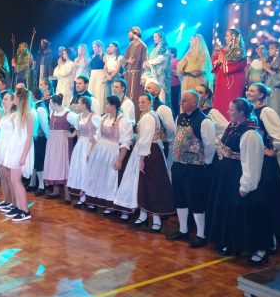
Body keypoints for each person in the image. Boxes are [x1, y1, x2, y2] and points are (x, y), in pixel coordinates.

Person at [206, 98, 270, 266]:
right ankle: (233, 243)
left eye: (232, 110)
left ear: (241, 112)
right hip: (228, 175)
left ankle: (260, 249)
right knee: (231, 212)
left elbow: (252, 161)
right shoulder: (233, 126)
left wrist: (246, 185)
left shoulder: (250, 133)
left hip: (240, 175)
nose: (229, 112)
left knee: (248, 214)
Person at [114, 93, 175, 232]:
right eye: (139, 102)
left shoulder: (148, 117)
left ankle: (155, 219)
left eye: (143, 102)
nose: (140, 104)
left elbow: (146, 139)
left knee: (151, 185)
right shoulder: (148, 115)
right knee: (142, 185)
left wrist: (141, 159)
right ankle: (143, 215)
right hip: (147, 151)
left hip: (149, 153)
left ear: (150, 103)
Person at [167, 91, 216, 248]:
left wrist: (205, 162)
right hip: (179, 164)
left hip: (195, 167)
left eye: (185, 101)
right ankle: (183, 230)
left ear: (195, 102)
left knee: (196, 200)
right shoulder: (180, 117)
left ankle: (201, 234)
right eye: (181, 100)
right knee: (180, 197)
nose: (181, 103)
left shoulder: (204, 121)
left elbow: (210, 145)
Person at [246, 83, 280, 245]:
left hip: (264, 163)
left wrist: (272, 150)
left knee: (265, 200)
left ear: (261, 95)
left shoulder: (266, 112)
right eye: (248, 89)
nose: (248, 92)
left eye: (252, 90)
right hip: (252, 159)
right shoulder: (250, 111)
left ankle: (269, 242)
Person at [79, 96, 133, 214]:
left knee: (109, 178)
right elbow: (97, 137)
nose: (105, 106)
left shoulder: (123, 121)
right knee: (96, 176)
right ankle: (94, 201)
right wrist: (90, 153)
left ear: (113, 106)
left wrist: (119, 160)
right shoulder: (104, 118)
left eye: (107, 104)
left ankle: (110, 206)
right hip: (100, 151)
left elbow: (125, 143)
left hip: (112, 151)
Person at [1, 88, 35, 222]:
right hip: (15, 148)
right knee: (13, 180)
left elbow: (29, 137)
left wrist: (23, 155)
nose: (13, 99)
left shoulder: (28, 115)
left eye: (15, 97)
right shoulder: (18, 114)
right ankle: (19, 207)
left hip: (21, 150)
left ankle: (25, 211)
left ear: (20, 99)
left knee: (16, 181)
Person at [67, 96, 101, 201]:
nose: (76, 105)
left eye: (79, 103)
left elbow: (99, 132)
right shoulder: (78, 117)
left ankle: (89, 197)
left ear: (85, 105)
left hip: (90, 145)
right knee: (80, 169)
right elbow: (78, 132)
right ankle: (82, 197)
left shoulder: (95, 117)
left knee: (87, 169)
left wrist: (94, 145)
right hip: (81, 144)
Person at [43, 94, 74, 199]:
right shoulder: (53, 112)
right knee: (54, 165)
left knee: (64, 166)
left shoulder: (68, 114)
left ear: (55, 104)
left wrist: (72, 134)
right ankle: (55, 191)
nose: (50, 105)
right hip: (52, 142)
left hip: (62, 142)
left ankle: (67, 195)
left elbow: (79, 125)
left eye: (51, 103)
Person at [211, 29, 247, 118]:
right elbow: (215, 61)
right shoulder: (223, 51)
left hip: (233, 81)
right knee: (220, 102)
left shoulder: (239, 52)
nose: (225, 38)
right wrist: (219, 61)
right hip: (222, 80)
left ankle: (232, 120)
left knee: (231, 101)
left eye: (227, 36)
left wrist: (222, 61)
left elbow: (237, 65)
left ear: (233, 37)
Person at [0, 91, 16, 212]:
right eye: (3, 99)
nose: (3, 101)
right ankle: (6, 200)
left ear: (12, 101)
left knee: (10, 177)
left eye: (6, 99)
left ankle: (14, 203)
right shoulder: (5, 115)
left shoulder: (15, 115)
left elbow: (16, 134)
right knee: (2, 175)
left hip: (9, 146)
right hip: (2, 144)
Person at [261, 42, 280, 126]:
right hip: (269, 92)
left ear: (278, 50)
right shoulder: (270, 62)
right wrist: (265, 69)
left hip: (278, 93)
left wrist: (267, 69)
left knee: (277, 113)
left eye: (272, 48)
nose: (269, 50)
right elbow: (264, 78)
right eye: (269, 48)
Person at [29, 85, 50, 196]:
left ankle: (41, 186)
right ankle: (32, 183)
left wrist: (47, 137)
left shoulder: (40, 108)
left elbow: (45, 125)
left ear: (33, 96)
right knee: (34, 160)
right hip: (35, 138)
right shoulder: (35, 106)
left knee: (39, 161)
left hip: (40, 139)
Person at [123, 27, 148, 111]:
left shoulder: (143, 46)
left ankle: (137, 116)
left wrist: (143, 77)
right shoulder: (130, 46)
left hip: (137, 76)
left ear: (135, 33)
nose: (128, 34)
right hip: (128, 76)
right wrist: (128, 61)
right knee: (127, 96)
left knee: (136, 96)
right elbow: (123, 60)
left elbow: (145, 63)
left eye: (129, 32)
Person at [142, 30, 171, 102]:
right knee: (148, 96)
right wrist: (145, 66)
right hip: (150, 75)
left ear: (161, 37)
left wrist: (148, 63)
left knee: (160, 97)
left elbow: (160, 59)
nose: (154, 38)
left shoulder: (165, 49)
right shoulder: (153, 49)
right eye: (153, 37)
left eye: (156, 37)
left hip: (159, 76)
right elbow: (147, 62)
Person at [88, 40, 106, 107]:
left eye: (95, 47)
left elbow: (106, 67)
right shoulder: (92, 56)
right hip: (92, 75)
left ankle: (99, 108)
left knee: (98, 91)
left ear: (100, 47)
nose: (93, 49)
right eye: (93, 47)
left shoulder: (104, 56)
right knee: (91, 91)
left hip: (100, 75)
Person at [169, 48, 181, 119]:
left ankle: (177, 116)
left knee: (174, 101)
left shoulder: (177, 61)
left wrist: (171, 71)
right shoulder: (166, 61)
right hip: (167, 85)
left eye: (169, 52)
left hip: (175, 84)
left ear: (173, 54)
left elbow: (180, 73)